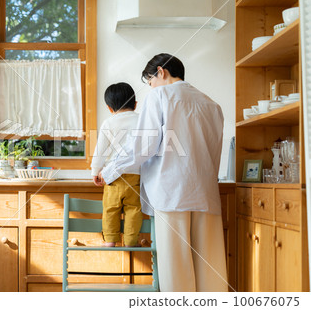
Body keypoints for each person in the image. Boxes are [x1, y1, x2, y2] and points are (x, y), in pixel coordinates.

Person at [99, 53, 228, 292]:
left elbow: (143, 146)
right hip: (206, 193)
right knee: (210, 267)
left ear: (161, 72)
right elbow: (215, 152)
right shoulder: (212, 104)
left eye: (150, 81)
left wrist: (109, 171)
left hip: (171, 192)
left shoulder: (159, 95)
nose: (151, 87)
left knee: (175, 268)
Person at [91, 82, 142, 247]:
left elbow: (101, 150)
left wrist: (95, 171)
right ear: (135, 104)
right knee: (134, 209)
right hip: (136, 175)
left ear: (109, 108)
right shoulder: (142, 120)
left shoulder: (109, 123)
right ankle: (130, 241)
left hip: (112, 177)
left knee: (110, 209)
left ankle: (111, 241)